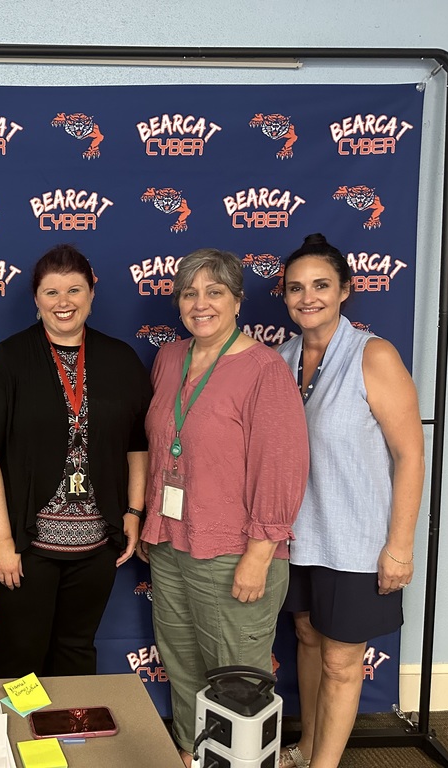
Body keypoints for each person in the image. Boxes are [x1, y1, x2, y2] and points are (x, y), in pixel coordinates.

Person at [137, 247, 309, 766]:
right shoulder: (170, 359)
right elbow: (167, 447)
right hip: (171, 546)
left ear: (238, 300)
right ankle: (195, 756)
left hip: (236, 554)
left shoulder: (264, 370)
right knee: (184, 664)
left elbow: (280, 469)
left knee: (237, 682)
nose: (200, 303)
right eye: (189, 293)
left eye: (214, 292)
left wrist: (259, 555)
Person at [0, 243, 151, 679]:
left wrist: (134, 510)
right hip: (28, 549)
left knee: (76, 652)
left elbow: (138, 443)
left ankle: (72, 739)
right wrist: (2, 542)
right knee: (21, 658)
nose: (63, 302)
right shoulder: (9, 359)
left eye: (74, 290)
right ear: (36, 298)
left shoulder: (120, 359)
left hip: (96, 547)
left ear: (91, 293)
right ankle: (19, 741)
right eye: (51, 292)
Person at [277, 233, 423, 768]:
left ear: (345, 291)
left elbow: (410, 456)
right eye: (295, 287)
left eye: (320, 285)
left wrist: (400, 546)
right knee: (308, 640)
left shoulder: (373, 354)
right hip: (297, 536)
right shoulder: (281, 357)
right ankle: (310, 747)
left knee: (341, 662)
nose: (306, 297)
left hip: (357, 541)